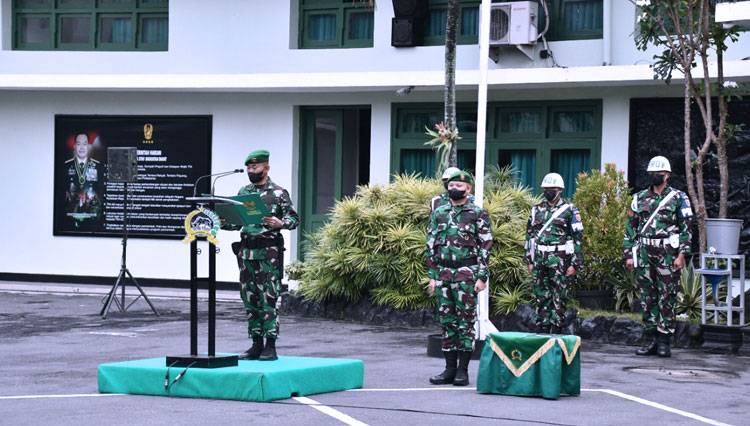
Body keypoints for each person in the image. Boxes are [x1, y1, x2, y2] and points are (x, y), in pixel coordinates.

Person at [222, 149, 299, 361]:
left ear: (266, 167)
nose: (250, 170)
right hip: (247, 253)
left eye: (254, 167)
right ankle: (255, 344)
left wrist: (280, 223)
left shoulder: (278, 193)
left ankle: (270, 345)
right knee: (250, 298)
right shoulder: (244, 192)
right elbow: (237, 222)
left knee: (269, 298)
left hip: (268, 255)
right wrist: (223, 222)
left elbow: (294, 219)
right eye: (248, 167)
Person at [425, 170, 493, 386]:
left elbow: (485, 246)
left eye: (459, 186)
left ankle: (463, 371)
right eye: (451, 185)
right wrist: (432, 276)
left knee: (465, 324)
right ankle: (448, 370)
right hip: (443, 275)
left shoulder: (477, 213)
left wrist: (482, 277)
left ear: (468, 189)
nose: (454, 189)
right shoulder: (439, 213)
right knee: (447, 322)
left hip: (467, 275)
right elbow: (431, 245)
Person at [623, 156, 692, 358]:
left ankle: (664, 341)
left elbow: (686, 229)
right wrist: (629, 255)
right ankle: (650, 339)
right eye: (652, 173)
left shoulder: (679, 198)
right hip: (645, 253)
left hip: (668, 254)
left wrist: (682, 255)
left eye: (658, 173)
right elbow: (630, 229)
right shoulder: (639, 198)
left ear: (667, 175)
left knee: (667, 297)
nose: (655, 176)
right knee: (647, 297)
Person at [524, 173, 583, 334]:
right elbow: (529, 236)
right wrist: (529, 259)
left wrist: (575, 263)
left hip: (560, 258)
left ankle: (557, 326)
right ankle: (542, 325)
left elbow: (577, 238)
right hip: (540, 257)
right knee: (540, 293)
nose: (549, 191)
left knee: (559, 294)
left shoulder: (570, 210)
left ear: (560, 189)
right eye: (546, 189)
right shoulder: (537, 210)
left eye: (552, 189)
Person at [63, 133, 103, 227]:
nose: (81, 147)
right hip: (70, 217)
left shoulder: (96, 166)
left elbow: (100, 190)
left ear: (88, 146)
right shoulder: (66, 166)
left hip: (91, 218)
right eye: (78, 144)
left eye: (84, 144)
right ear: (74, 146)